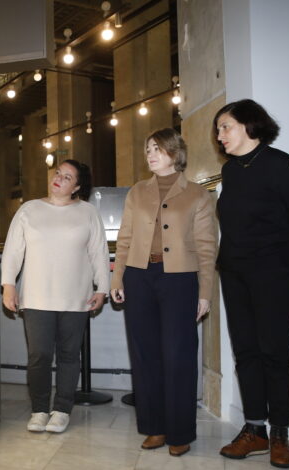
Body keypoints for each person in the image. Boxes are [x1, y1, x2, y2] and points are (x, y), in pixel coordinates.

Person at [214, 99, 289, 469]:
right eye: (219, 129)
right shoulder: (231, 172)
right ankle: (254, 429)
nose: (220, 134)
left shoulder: (280, 165)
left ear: (249, 125)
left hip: (274, 276)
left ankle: (279, 434)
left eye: (225, 126)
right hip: (235, 275)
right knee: (246, 352)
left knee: (274, 351)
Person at [110, 128, 217, 457]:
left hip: (180, 280)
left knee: (179, 355)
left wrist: (205, 292)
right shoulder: (137, 193)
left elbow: (206, 247)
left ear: (174, 151)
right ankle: (153, 426)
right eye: (147, 150)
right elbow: (124, 239)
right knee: (144, 355)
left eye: (157, 149)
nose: (150, 155)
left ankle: (181, 431)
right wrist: (117, 279)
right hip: (140, 277)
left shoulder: (198, 195)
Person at [2, 159, 110, 434]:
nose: (59, 178)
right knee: (38, 355)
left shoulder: (87, 212)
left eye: (67, 176)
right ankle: (39, 409)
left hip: (76, 297)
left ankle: (62, 410)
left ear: (77, 187)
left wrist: (102, 287)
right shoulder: (29, 210)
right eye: (58, 172)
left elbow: (98, 252)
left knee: (68, 356)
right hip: (37, 296)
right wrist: (9, 285)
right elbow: (14, 251)